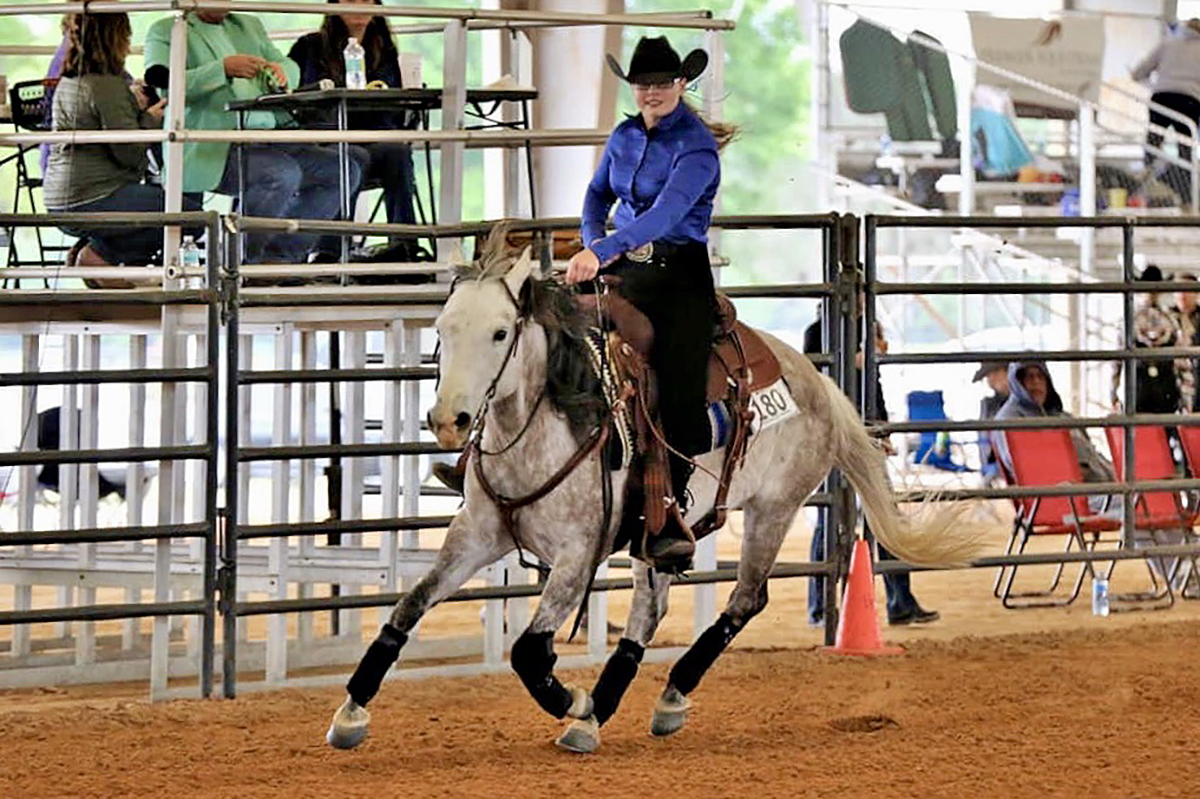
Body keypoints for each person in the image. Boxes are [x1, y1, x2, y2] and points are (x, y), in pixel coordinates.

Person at [564, 36, 732, 571]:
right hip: (627, 267)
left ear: (681, 86)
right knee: (559, 337)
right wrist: (595, 244)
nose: (652, 92)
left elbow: (666, 213)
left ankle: (672, 510)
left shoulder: (696, 147)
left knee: (680, 393)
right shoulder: (624, 135)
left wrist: (603, 249)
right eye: (643, 84)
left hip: (679, 275)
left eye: (661, 84)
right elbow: (597, 194)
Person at [144, 8, 360, 265]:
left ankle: (280, 257)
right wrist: (221, 70)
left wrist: (282, 71)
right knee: (280, 174)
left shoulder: (249, 24)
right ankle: (242, 262)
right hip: (212, 146)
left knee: (344, 170)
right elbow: (164, 82)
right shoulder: (167, 29)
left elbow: (288, 65)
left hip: (270, 134)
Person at [803, 304, 939, 626]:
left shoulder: (868, 331)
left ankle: (900, 601)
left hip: (865, 434)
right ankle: (821, 607)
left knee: (885, 516)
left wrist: (883, 430)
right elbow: (813, 382)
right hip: (832, 433)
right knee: (830, 519)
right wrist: (853, 364)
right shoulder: (818, 332)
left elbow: (873, 387)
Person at [42, 12, 201, 277]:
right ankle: (100, 255)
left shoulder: (70, 80)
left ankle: (95, 252)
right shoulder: (108, 86)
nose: (128, 43)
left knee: (169, 208)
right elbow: (130, 153)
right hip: (95, 196)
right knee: (192, 218)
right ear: (115, 39)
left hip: (60, 197)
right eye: (126, 36)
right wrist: (149, 119)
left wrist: (132, 109)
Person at [288, 0, 419, 256]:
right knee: (351, 156)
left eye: (367, 0)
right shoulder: (310, 46)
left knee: (398, 153)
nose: (360, 6)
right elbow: (294, 97)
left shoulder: (385, 50)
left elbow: (392, 105)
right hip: (325, 142)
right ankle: (329, 252)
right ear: (334, 6)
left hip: (372, 136)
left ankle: (405, 246)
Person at [1132, 19, 1200, 201]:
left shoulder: (1168, 44)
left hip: (1162, 97)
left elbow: (1141, 71)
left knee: (1153, 141)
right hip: (1190, 101)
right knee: (1185, 149)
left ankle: (1143, 184)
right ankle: (1187, 195)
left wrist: (1140, 78)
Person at [1111, 265, 1182, 415]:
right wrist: (1113, 390)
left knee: (1164, 428)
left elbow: (1181, 359)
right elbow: (1117, 359)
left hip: (1164, 383)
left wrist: (1185, 394)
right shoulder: (1129, 320)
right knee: (1140, 430)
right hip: (1139, 382)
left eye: (1154, 289)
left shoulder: (1171, 319)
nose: (1151, 293)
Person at [974, 360, 1010, 483]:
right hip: (995, 461)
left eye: (996, 372)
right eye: (989, 375)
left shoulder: (1025, 402)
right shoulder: (990, 405)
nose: (992, 379)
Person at [1170, 272, 1200, 412]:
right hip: (1170, 381)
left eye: (1187, 290)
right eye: (1178, 291)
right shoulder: (1166, 318)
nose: (1182, 295)